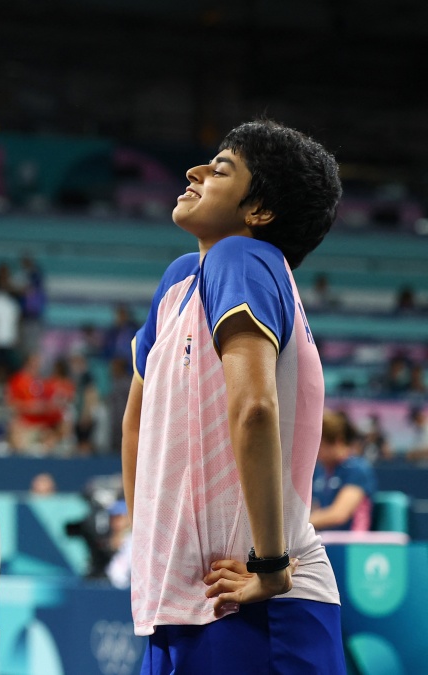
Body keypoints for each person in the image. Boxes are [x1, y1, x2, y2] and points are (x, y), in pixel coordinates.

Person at [122, 120, 346, 674]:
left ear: (259, 212)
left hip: (262, 608)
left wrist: (270, 565)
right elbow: (136, 422)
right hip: (187, 603)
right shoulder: (181, 279)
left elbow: (255, 407)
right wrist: (155, 555)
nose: (195, 171)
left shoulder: (243, 257)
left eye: (221, 168)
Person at [310, 412, 377, 531]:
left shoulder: (357, 469)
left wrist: (296, 526)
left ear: (337, 441)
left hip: (351, 544)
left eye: (319, 444)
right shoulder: (319, 470)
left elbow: (339, 515)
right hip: (324, 540)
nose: (313, 449)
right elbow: (315, 510)